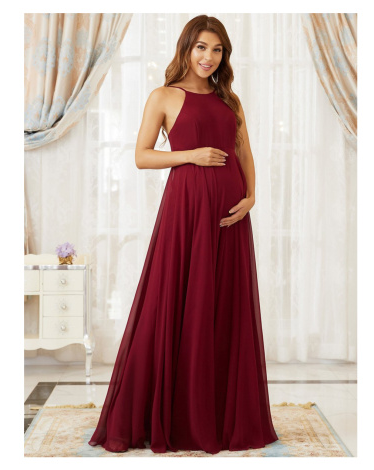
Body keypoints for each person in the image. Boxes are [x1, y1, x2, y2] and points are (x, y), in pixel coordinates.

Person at [88, 14, 279, 454]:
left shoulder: (230, 99)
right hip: (187, 213)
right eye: (201, 48)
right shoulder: (164, 96)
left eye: (217, 50)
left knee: (225, 306)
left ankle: (220, 415)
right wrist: (191, 155)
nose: (209, 57)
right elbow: (142, 156)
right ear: (186, 48)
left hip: (230, 216)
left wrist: (251, 197)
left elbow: (244, 151)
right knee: (176, 301)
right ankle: (176, 414)